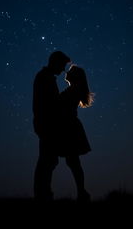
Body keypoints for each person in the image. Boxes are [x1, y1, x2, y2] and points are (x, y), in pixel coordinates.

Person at [33, 50, 71, 201]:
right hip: (47, 125)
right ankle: (43, 196)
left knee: (48, 160)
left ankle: (43, 194)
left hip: (46, 125)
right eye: (62, 65)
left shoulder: (46, 77)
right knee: (46, 161)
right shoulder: (44, 78)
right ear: (55, 62)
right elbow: (48, 104)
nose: (63, 70)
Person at [58, 64, 94, 202]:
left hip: (69, 127)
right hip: (69, 126)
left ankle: (82, 192)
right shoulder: (74, 89)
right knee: (72, 161)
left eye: (71, 71)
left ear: (76, 76)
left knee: (72, 161)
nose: (67, 72)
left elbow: (61, 105)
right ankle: (82, 192)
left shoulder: (74, 90)